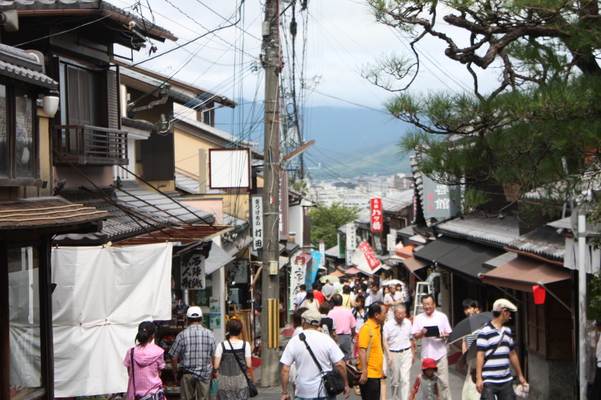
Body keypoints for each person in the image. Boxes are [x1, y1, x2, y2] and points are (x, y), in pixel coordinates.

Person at [280, 309, 350, 400]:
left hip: (303, 392)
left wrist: (284, 392)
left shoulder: (294, 341)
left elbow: (285, 369)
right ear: (319, 323)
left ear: (303, 321)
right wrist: (346, 384)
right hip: (325, 391)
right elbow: (340, 364)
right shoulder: (327, 340)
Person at [475, 299, 527, 400]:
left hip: (506, 380)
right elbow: (480, 355)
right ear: (503, 312)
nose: (510, 315)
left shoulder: (507, 331)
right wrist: (479, 378)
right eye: (509, 312)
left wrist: (520, 376)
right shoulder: (484, 331)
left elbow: (512, 354)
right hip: (489, 380)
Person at [169, 306, 217, 400]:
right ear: (202, 318)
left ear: (187, 319)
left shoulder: (182, 335)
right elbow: (214, 356)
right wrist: (214, 371)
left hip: (186, 374)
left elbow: (173, 357)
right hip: (204, 374)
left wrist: (175, 373)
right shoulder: (210, 334)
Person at [411, 294, 453, 400]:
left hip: (440, 354)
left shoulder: (442, 316)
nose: (427, 306)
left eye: (429, 304)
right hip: (427, 355)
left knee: (444, 383)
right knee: (427, 383)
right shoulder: (419, 318)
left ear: (434, 304)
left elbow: (449, 333)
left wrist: (441, 336)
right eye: (425, 304)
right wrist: (422, 332)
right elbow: (415, 336)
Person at [123, 321, 165, 400]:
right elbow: (159, 372)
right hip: (154, 394)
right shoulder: (159, 351)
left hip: (136, 395)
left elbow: (130, 373)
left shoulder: (131, 352)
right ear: (153, 335)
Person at [214, 319, 252, 400]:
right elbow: (249, 365)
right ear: (240, 331)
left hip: (224, 382)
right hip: (240, 381)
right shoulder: (245, 345)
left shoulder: (221, 345)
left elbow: (216, 366)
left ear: (229, 330)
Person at [383, 305, 415, 400]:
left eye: (402, 314)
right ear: (394, 314)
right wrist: (389, 356)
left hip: (406, 352)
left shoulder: (408, 323)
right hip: (393, 353)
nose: (400, 316)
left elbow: (411, 339)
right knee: (395, 381)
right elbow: (385, 341)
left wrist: (413, 353)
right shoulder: (388, 325)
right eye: (398, 314)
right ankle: (395, 398)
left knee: (405, 379)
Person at [357, 303, 386, 400]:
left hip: (376, 373)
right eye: (384, 313)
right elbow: (362, 351)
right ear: (376, 315)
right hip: (369, 375)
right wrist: (364, 372)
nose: (385, 315)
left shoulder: (377, 328)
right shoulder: (366, 328)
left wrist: (381, 370)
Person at [460, 299, 480, 400]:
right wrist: (464, 355)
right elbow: (464, 341)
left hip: (479, 354)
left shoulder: (480, 322)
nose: (468, 311)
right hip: (470, 356)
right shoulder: (465, 324)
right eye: (465, 309)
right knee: (470, 379)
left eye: (469, 308)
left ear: (475, 309)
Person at [329, 293, 357, 360]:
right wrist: (353, 335)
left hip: (334, 337)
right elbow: (353, 326)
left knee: (335, 358)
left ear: (333, 303)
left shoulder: (330, 313)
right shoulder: (348, 312)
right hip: (346, 337)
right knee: (346, 357)